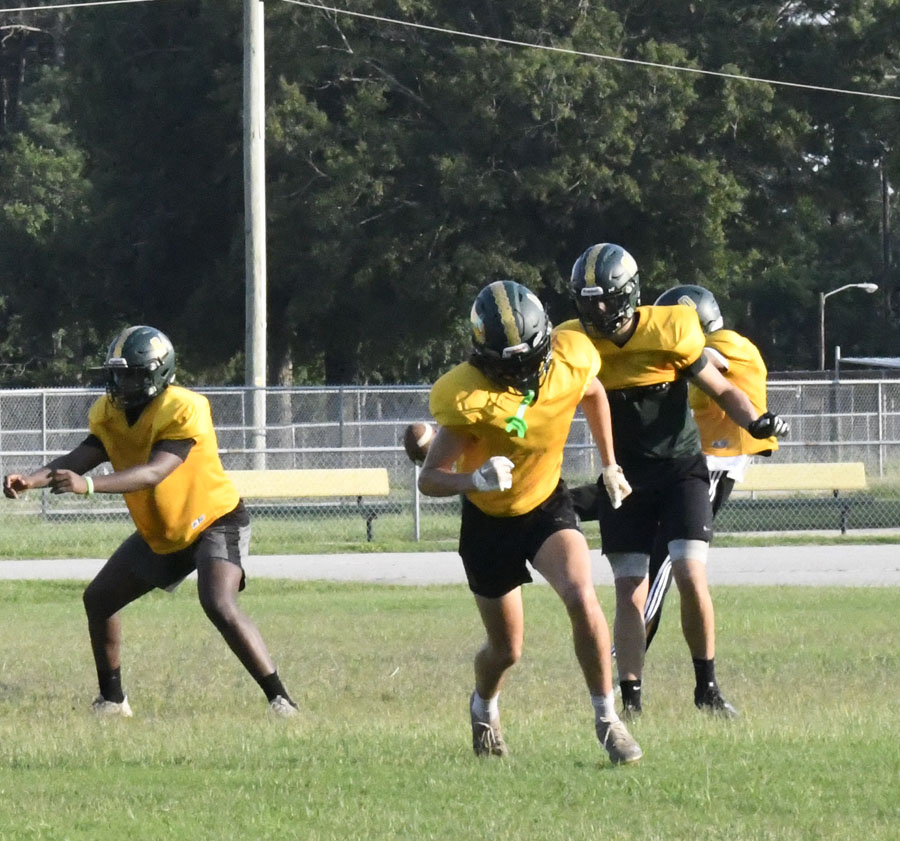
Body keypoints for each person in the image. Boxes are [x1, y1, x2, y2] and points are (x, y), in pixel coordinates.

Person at [3, 325, 297, 718]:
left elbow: (154, 472)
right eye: (118, 373)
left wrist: (88, 487)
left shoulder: (183, 407)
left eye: (132, 374)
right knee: (100, 598)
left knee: (218, 602)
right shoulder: (109, 413)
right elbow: (80, 457)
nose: (122, 383)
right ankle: (112, 701)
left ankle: (281, 700)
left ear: (158, 373)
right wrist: (32, 479)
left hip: (214, 520)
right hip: (164, 531)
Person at [418, 279, 642, 765]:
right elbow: (429, 479)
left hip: (545, 502)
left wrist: (609, 463)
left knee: (583, 595)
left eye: (526, 360)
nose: (519, 374)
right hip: (488, 520)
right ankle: (483, 705)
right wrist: (473, 480)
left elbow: (594, 392)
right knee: (506, 650)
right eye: (507, 365)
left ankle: (608, 720)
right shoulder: (465, 393)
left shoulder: (572, 356)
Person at [561, 244, 788, 719]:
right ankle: (631, 699)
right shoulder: (574, 343)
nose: (595, 310)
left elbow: (723, 389)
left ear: (628, 293)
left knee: (689, 572)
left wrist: (757, 421)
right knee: (630, 588)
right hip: (622, 476)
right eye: (587, 300)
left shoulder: (672, 329)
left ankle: (706, 686)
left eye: (604, 298)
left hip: (681, 468)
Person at [640, 284, 779, 650]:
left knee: (669, 554)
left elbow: (710, 359)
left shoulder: (729, 342)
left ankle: (629, 644)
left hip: (718, 460)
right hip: (692, 461)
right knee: (654, 544)